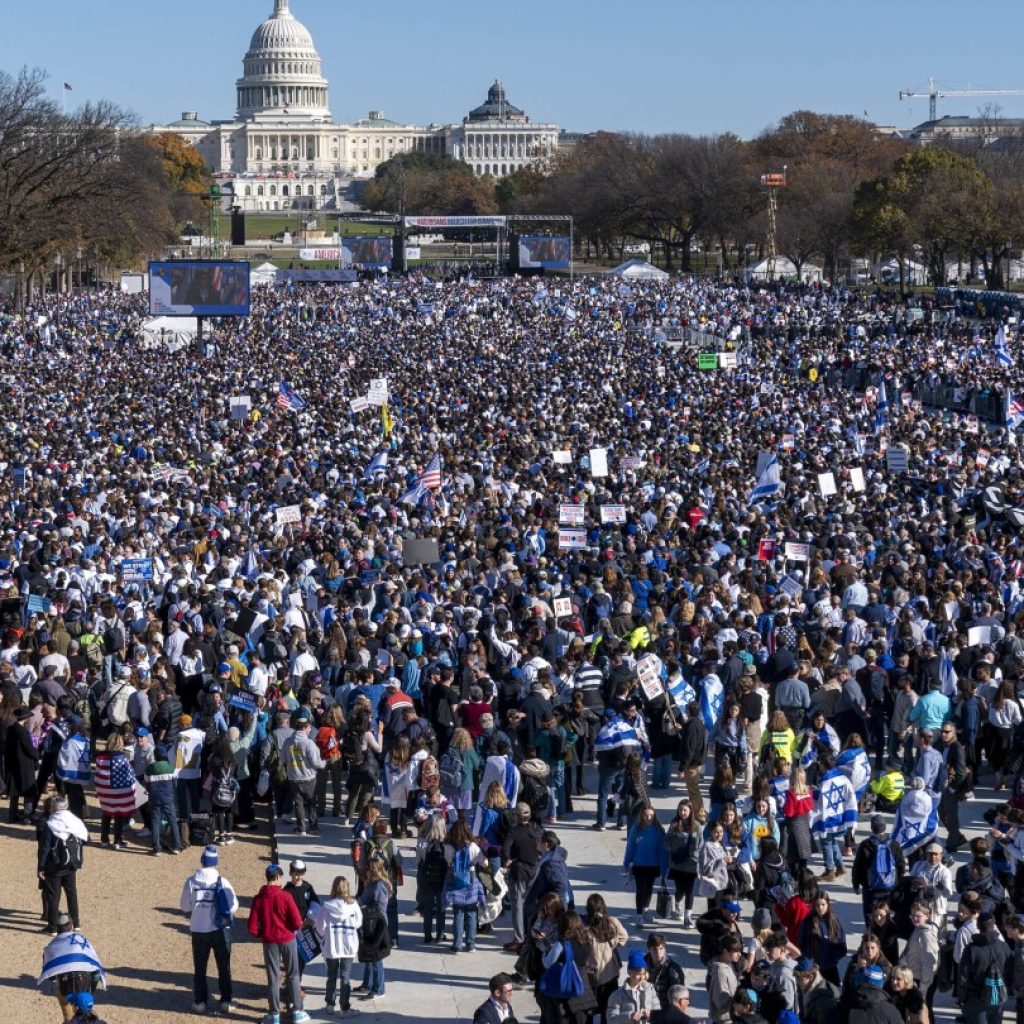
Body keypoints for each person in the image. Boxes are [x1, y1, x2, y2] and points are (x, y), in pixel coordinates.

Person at [180, 844, 238, 1016]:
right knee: (224, 967)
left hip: (198, 930)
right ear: (216, 862)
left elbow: (184, 906)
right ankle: (226, 1000)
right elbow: (233, 906)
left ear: (202, 861)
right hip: (220, 930)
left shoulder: (191, 881)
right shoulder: (222, 881)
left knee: (200, 968)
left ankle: (200, 1002)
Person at [248, 863, 308, 1024]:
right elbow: (296, 922)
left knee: (273, 978)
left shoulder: (259, 899)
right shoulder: (285, 896)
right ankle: (297, 1010)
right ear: (277, 877)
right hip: (287, 939)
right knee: (293, 975)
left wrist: (263, 933)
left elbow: (252, 928)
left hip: (269, 941)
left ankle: (274, 1013)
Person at [37, 915, 105, 1024]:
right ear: (72, 926)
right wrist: (93, 987)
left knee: (67, 1013)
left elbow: (51, 974)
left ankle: (69, 1020)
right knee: (84, 1006)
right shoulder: (84, 941)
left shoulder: (52, 946)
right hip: (86, 984)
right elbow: (94, 964)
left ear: (58, 929)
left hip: (65, 988)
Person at [312, 875, 363, 1018]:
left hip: (331, 946)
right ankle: (344, 1008)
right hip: (348, 945)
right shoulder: (354, 906)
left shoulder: (326, 907)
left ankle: (329, 1004)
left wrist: (327, 934)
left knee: (331, 976)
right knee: (345, 978)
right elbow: (358, 923)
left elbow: (320, 927)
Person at [37, 794, 88, 934]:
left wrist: (41, 867)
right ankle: (76, 923)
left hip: (55, 865)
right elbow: (84, 839)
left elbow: (45, 848)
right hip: (71, 863)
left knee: (54, 895)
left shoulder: (51, 823)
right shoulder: (75, 820)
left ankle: (52, 927)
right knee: (71, 892)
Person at [502, 802, 544, 951]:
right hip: (535, 872)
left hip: (519, 871)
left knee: (517, 906)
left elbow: (505, 850)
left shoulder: (513, 832)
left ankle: (519, 938)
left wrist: (507, 862)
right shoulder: (537, 830)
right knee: (532, 906)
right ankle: (532, 935)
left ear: (518, 817)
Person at [853, 815, 907, 928]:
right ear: (885, 827)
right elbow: (901, 865)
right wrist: (898, 883)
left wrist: (856, 884)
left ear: (872, 827)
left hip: (870, 888)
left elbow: (858, 866)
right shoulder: (894, 845)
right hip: (889, 887)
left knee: (870, 915)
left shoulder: (865, 845)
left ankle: (871, 936)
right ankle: (884, 937)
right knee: (885, 914)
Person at [957, 910, 1010, 1024]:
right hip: (998, 996)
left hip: (975, 999)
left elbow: (963, 977)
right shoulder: (1004, 947)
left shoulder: (971, 950)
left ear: (978, 926)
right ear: (994, 925)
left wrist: (962, 999)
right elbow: (1010, 971)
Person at [583, 893, 629, 1021]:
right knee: (608, 1009)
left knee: (589, 1010)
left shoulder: (585, 928)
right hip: (610, 973)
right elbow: (624, 937)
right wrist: (613, 944)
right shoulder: (611, 922)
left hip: (591, 975)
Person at [624, 806, 668, 929]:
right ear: (641, 816)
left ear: (654, 817)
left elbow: (662, 850)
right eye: (646, 815)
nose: (648, 818)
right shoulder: (636, 829)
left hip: (653, 865)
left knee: (648, 889)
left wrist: (664, 866)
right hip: (639, 864)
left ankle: (645, 909)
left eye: (651, 816)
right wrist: (627, 861)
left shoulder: (659, 830)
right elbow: (631, 845)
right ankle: (639, 914)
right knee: (640, 889)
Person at [284, 709, 325, 837]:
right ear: (305, 727)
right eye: (309, 728)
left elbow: (283, 759)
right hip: (309, 778)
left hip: (293, 777)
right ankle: (313, 826)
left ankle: (301, 828)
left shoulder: (287, 742)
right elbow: (315, 762)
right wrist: (324, 763)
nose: (310, 731)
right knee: (311, 803)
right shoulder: (309, 743)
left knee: (298, 803)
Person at [607, 948, 658, 1024]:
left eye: (643, 974)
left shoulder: (650, 990)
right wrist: (629, 1016)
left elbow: (660, 1015)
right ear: (629, 972)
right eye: (638, 974)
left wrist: (652, 1014)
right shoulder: (617, 996)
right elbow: (611, 1020)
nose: (641, 977)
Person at [707, 933, 743, 1023]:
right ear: (725, 951)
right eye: (735, 951)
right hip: (724, 1020)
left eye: (740, 951)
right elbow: (721, 1003)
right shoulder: (721, 972)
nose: (739, 954)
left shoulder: (729, 964)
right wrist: (739, 1002)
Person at [645, 932, 686, 1010]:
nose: (658, 953)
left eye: (661, 948)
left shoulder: (673, 969)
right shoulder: (642, 965)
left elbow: (679, 996)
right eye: (655, 949)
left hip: (665, 1009)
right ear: (649, 949)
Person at [794, 957, 840, 1024]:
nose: (796, 981)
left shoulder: (824, 997)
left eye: (799, 978)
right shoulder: (804, 988)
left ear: (810, 977)